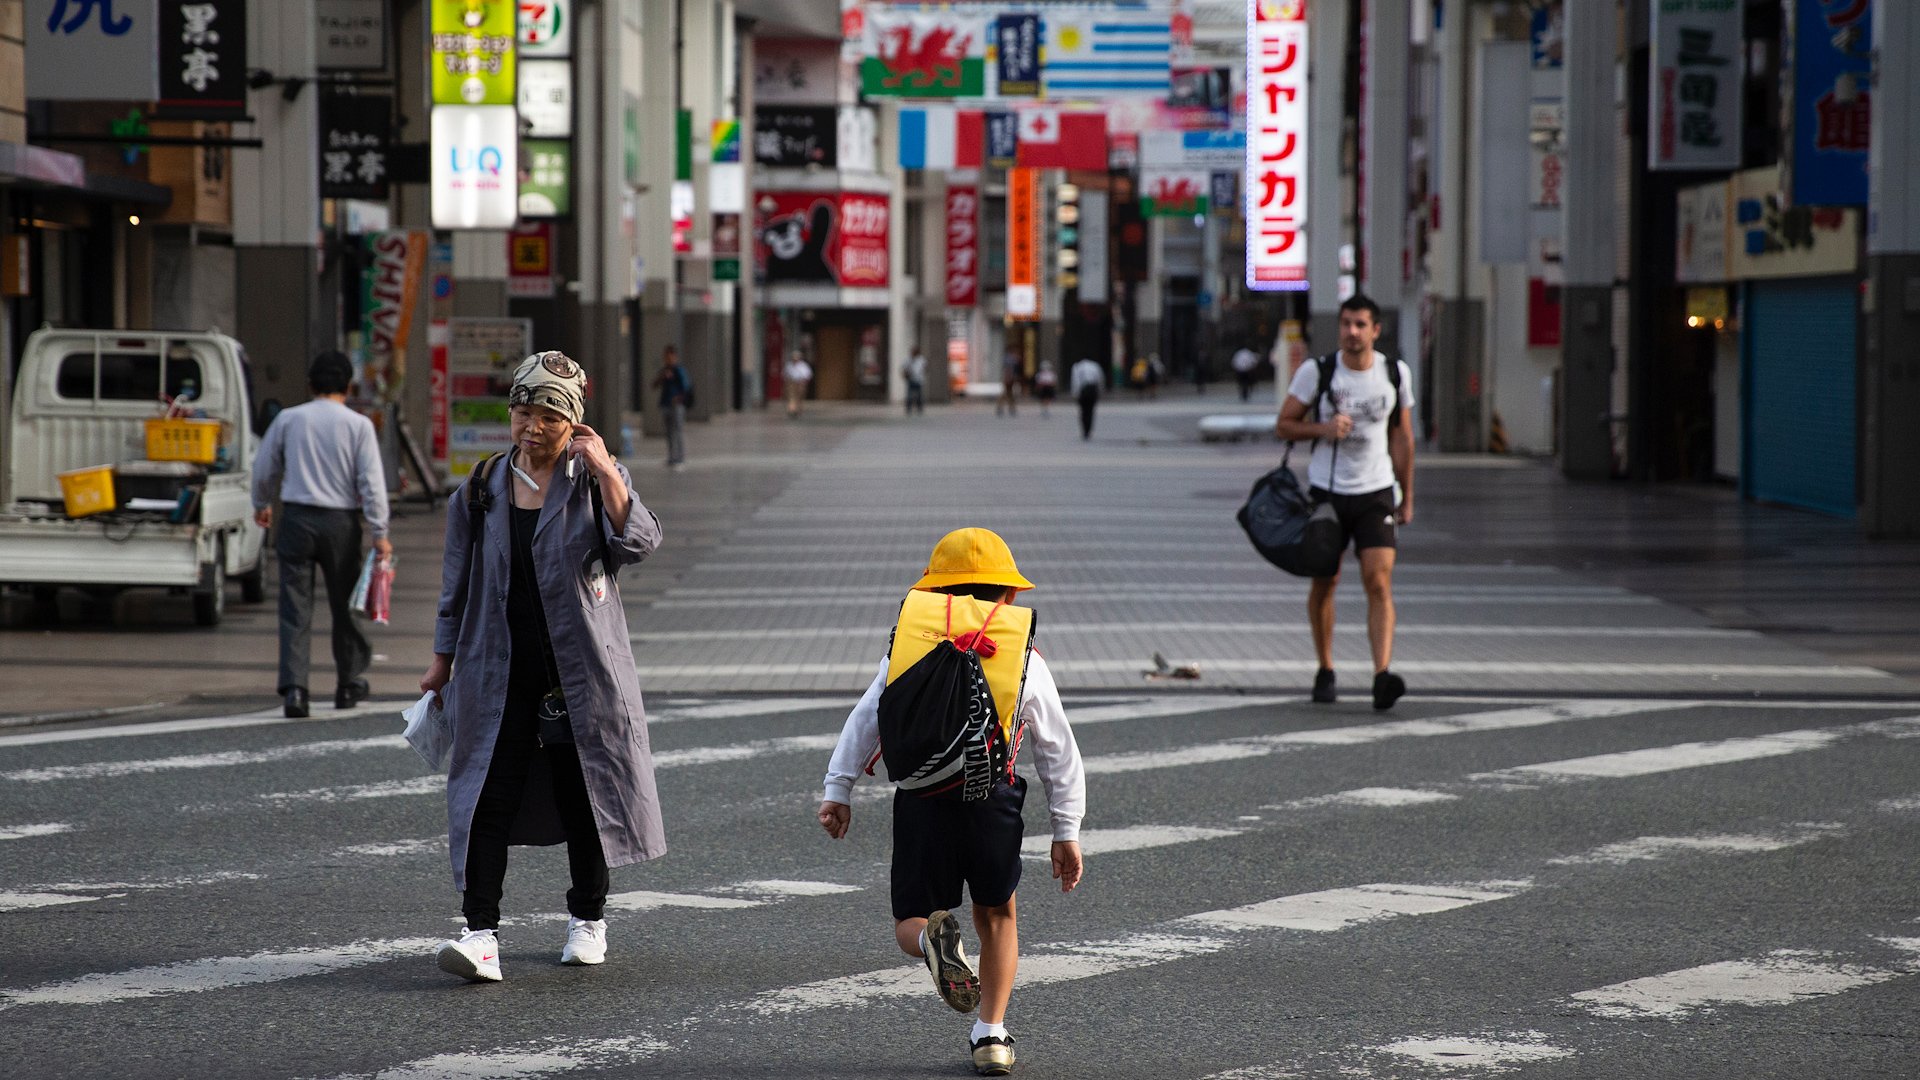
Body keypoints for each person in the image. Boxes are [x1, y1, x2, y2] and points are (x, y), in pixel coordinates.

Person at [421, 350, 667, 983]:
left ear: (574, 423)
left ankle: (588, 919)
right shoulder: (479, 488)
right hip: (495, 669)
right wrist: (440, 664)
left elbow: (638, 541)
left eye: (549, 417)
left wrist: (606, 466)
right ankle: (480, 934)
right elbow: (455, 586)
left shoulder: (590, 482)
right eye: (524, 412)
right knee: (485, 796)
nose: (533, 427)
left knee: (582, 793)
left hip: (578, 671)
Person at [817, 528, 1085, 1077]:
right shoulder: (1023, 655)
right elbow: (1057, 747)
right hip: (993, 802)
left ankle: (929, 941)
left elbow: (868, 717)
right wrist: (1067, 828)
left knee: (907, 920)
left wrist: (838, 788)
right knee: (998, 914)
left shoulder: (907, 645)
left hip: (921, 800)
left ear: (935, 593)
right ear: (1008, 597)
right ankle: (992, 1033)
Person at [1273, 294, 1415, 711]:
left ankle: (1381, 675)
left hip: (1376, 490)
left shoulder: (1394, 372)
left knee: (1378, 579)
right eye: (1346, 324)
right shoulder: (1316, 372)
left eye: (1360, 324)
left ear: (1375, 330)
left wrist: (1408, 495)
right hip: (1328, 491)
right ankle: (1326, 668)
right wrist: (1322, 428)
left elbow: (1403, 438)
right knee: (1326, 582)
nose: (1352, 332)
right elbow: (1284, 425)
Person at [251, 351, 391, 719]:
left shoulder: (288, 419)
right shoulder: (358, 425)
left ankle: (295, 690)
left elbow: (265, 466)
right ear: (348, 386)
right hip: (340, 524)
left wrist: (261, 502)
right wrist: (380, 531)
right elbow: (371, 483)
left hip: (296, 518)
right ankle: (348, 683)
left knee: (294, 607)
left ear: (310, 385)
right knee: (346, 606)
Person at [651, 345, 691, 468]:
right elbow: (654, 384)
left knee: (678, 430)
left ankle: (680, 457)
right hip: (666, 404)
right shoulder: (664, 370)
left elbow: (686, 386)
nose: (668, 359)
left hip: (676, 405)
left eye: (670, 357)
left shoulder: (679, 370)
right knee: (669, 432)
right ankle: (672, 456)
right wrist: (663, 377)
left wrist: (678, 398)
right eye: (666, 357)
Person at [1069, 355, 1103, 440]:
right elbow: (1099, 378)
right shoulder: (1095, 366)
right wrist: (1100, 390)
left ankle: (1084, 430)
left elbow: (1075, 380)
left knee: (1083, 411)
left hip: (1083, 391)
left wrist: (1075, 393)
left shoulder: (1077, 367)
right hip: (1092, 390)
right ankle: (1089, 429)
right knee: (1090, 411)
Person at [784, 349, 813, 418]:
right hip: (791, 382)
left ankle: (798, 409)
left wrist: (804, 382)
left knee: (799, 397)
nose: (795, 359)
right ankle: (792, 410)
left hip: (800, 382)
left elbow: (808, 375)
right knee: (792, 397)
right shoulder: (789, 365)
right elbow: (785, 374)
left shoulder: (803, 366)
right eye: (794, 358)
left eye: (796, 358)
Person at [995, 349, 1020, 417]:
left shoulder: (1010, 360)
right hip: (1009, 379)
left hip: (1009, 378)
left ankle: (1010, 408)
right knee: (1007, 393)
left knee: (1009, 393)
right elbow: (1008, 370)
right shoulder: (1010, 360)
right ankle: (1004, 407)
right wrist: (1008, 378)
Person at [904, 346, 928, 415]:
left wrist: (922, 372)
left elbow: (925, 368)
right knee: (909, 395)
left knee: (919, 395)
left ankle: (919, 408)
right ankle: (909, 408)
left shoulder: (921, 359)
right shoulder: (908, 359)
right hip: (911, 379)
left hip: (919, 379)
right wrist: (906, 374)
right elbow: (904, 368)